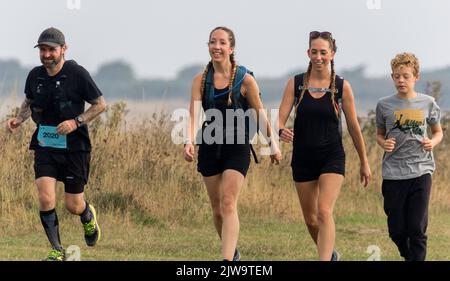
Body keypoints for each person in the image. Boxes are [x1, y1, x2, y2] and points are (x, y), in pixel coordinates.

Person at [6, 27, 106, 261]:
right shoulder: (35, 75)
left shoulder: (78, 74)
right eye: (42, 49)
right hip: (45, 143)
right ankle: (57, 250)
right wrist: (18, 119)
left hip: (75, 148)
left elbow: (100, 104)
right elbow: (29, 101)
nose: (47, 54)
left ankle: (87, 216)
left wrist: (76, 121)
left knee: (73, 204)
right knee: (45, 197)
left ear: (64, 49)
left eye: (51, 49)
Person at [183, 26, 282, 261]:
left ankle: (227, 262)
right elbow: (193, 114)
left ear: (231, 48)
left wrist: (273, 144)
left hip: (237, 145)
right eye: (212, 42)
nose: (216, 47)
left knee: (228, 202)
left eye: (222, 43)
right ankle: (233, 252)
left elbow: (259, 114)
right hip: (209, 143)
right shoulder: (200, 81)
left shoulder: (245, 80)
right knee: (217, 210)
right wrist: (189, 140)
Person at [278, 31, 371, 261]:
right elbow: (279, 119)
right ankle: (330, 255)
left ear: (332, 54)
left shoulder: (341, 87)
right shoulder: (296, 83)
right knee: (310, 219)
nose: (318, 57)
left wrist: (364, 162)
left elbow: (353, 128)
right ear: (308, 53)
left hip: (332, 156)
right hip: (303, 157)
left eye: (323, 52)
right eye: (314, 52)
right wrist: (280, 130)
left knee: (323, 211)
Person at [375, 52, 443, 261]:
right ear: (392, 77)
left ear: (416, 77)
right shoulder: (384, 105)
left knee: (416, 227)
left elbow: (438, 132)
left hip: (421, 170)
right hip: (393, 173)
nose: (401, 80)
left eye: (405, 76)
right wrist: (383, 142)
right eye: (397, 76)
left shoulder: (428, 103)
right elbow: (379, 134)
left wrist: (432, 142)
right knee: (397, 230)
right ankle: (409, 256)